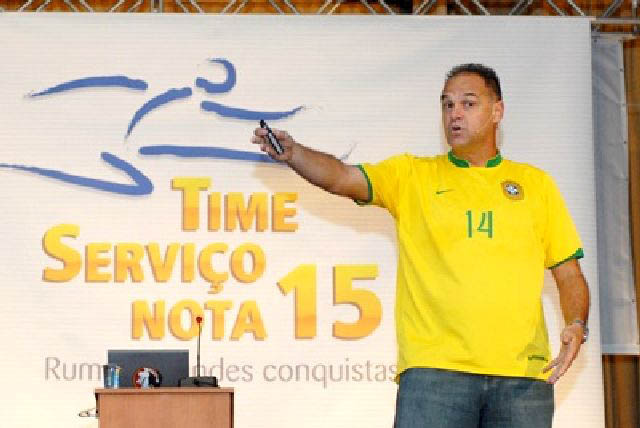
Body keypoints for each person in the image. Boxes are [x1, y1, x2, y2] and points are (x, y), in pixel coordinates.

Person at [251, 63, 590, 427]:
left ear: (497, 111)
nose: (454, 114)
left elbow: (569, 274)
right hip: (434, 376)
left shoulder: (536, 185)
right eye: (447, 105)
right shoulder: (412, 175)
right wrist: (295, 153)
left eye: (468, 103)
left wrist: (576, 324)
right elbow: (341, 177)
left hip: (523, 380)